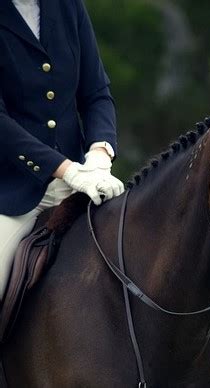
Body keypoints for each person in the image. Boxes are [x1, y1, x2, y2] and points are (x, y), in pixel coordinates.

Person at [0, 0, 124, 299]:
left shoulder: (68, 6)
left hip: (85, 183)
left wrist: (99, 153)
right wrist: (66, 170)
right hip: (12, 193)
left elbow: (96, 94)